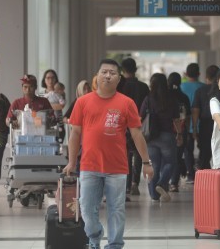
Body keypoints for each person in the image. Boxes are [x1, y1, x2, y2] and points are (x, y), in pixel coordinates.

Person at [62, 59, 154, 249]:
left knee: (116, 210)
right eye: (104, 72)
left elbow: (137, 134)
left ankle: (114, 245)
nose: (108, 75)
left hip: (117, 167)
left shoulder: (126, 103)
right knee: (86, 208)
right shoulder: (82, 102)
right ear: (97, 75)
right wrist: (72, 162)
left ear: (119, 78)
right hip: (89, 166)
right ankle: (94, 237)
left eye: (112, 73)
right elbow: (75, 134)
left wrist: (146, 162)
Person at [140, 73, 181, 202]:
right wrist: (179, 134)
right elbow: (176, 119)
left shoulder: (148, 98)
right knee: (170, 162)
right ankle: (162, 183)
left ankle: (153, 194)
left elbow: (140, 117)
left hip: (151, 136)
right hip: (167, 135)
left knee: (155, 165)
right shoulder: (171, 98)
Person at [120, 57, 150, 196]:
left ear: (122, 70)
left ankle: (125, 186)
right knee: (138, 154)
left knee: (124, 156)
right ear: (135, 69)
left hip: (122, 126)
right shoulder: (143, 87)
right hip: (139, 125)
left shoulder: (121, 86)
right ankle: (134, 184)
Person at [180, 63, 205, 184]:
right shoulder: (204, 87)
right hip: (202, 123)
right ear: (199, 74)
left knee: (187, 150)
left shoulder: (181, 87)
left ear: (186, 74)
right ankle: (201, 171)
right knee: (203, 149)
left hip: (185, 123)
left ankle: (191, 175)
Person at [192, 65, 219, 170]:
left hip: (205, 125)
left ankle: (205, 176)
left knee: (204, 152)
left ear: (206, 77)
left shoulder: (200, 91)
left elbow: (195, 110)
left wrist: (194, 128)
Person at [167, 72, 191, 192]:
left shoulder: (166, 96)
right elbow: (188, 117)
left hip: (167, 130)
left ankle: (164, 180)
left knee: (166, 157)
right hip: (181, 130)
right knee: (177, 157)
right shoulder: (184, 97)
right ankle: (174, 183)